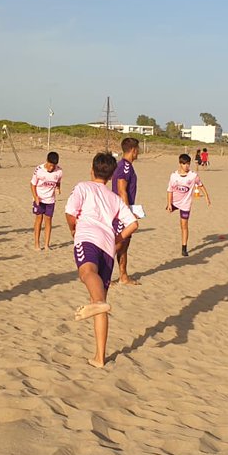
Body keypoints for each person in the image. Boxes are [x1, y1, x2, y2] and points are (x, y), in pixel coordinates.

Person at [65, 151, 138, 368]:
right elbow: (133, 224)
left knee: (87, 273)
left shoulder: (82, 187)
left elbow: (70, 212)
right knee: (101, 301)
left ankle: (97, 304)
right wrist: (118, 238)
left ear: (91, 169)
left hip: (87, 238)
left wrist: (73, 230)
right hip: (107, 247)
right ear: (111, 174)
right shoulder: (114, 198)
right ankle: (99, 357)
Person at [166, 153, 210, 256]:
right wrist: (169, 204)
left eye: (188, 164)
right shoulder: (173, 176)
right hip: (175, 202)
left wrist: (207, 197)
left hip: (186, 204)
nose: (187, 166)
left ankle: (184, 248)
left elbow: (201, 185)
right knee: (169, 211)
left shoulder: (193, 176)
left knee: (184, 225)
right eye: (184, 164)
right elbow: (169, 190)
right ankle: (171, 207)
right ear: (180, 164)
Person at [111, 136, 141, 285]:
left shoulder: (126, 165)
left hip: (125, 210)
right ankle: (103, 275)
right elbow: (122, 190)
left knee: (124, 245)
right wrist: (128, 212)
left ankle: (123, 276)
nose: (138, 153)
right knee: (117, 245)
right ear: (134, 150)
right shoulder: (124, 167)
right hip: (121, 213)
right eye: (138, 150)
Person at [30, 151, 64, 251]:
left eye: (53, 166)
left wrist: (58, 188)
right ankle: (37, 244)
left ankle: (46, 245)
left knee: (48, 220)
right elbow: (32, 184)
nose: (51, 168)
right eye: (50, 165)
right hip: (39, 199)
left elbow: (58, 182)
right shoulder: (39, 170)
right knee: (38, 219)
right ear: (47, 161)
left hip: (50, 200)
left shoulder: (59, 172)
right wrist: (35, 196)